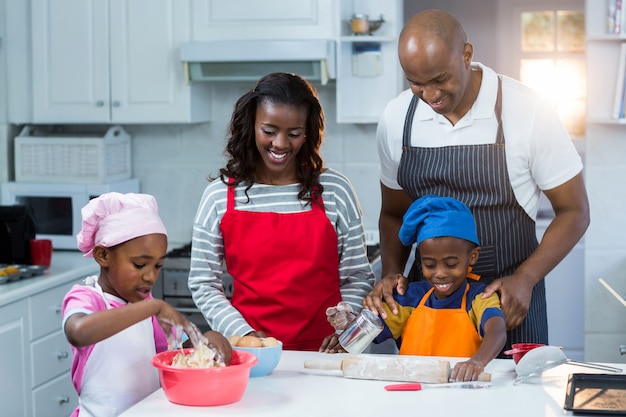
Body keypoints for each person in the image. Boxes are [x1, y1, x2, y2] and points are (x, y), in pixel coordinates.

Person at [364, 9, 590, 354]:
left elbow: (574, 211)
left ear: (466, 55)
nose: (429, 95)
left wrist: (526, 279)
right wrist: (393, 273)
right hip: (429, 309)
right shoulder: (397, 118)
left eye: (440, 79)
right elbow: (394, 214)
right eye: (416, 82)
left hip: (508, 303)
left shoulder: (527, 110)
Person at [188, 72, 375, 352]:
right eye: (269, 131)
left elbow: (358, 275)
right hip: (252, 352)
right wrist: (246, 334)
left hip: (326, 353)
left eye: (294, 134)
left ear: (308, 132)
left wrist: (344, 326)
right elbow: (203, 282)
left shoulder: (335, 189)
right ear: (251, 125)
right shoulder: (219, 195)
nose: (280, 144)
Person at [62, 192, 232, 417]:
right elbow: (77, 332)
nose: (150, 277)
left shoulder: (148, 307)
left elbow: (179, 349)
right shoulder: (88, 298)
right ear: (103, 255)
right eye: (140, 264)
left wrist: (208, 342)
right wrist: (152, 308)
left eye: (157, 266)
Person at [370, 195, 506, 382]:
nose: (440, 273)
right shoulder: (410, 297)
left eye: (451, 264)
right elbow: (371, 328)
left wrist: (477, 362)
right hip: (412, 394)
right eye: (430, 264)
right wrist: (346, 328)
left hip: (463, 395)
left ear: (473, 257)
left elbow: (497, 331)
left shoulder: (480, 298)